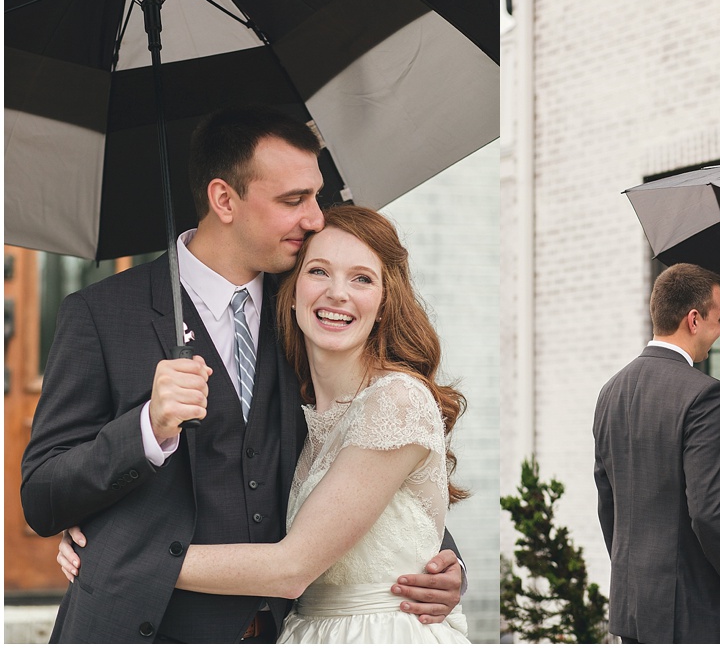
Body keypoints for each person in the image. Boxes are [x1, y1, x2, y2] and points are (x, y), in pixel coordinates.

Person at [23, 105, 463, 643]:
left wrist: (442, 556)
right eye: (293, 200)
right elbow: (42, 495)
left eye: (316, 196)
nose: (316, 219)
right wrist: (145, 429)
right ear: (224, 199)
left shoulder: (308, 309)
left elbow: (366, 448)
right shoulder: (100, 314)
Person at [170, 204, 470, 643]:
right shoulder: (301, 409)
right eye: (318, 272)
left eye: (362, 278)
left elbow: (292, 568)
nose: (337, 293)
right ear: (291, 292)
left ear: (386, 302)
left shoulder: (397, 401)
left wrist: (126, 558)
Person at [593, 263, 720, 644]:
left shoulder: (610, 391)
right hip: (691, 612)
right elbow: (709, 514)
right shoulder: (706, 394)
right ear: (693, 319)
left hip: (631, 606)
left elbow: (608, 502)